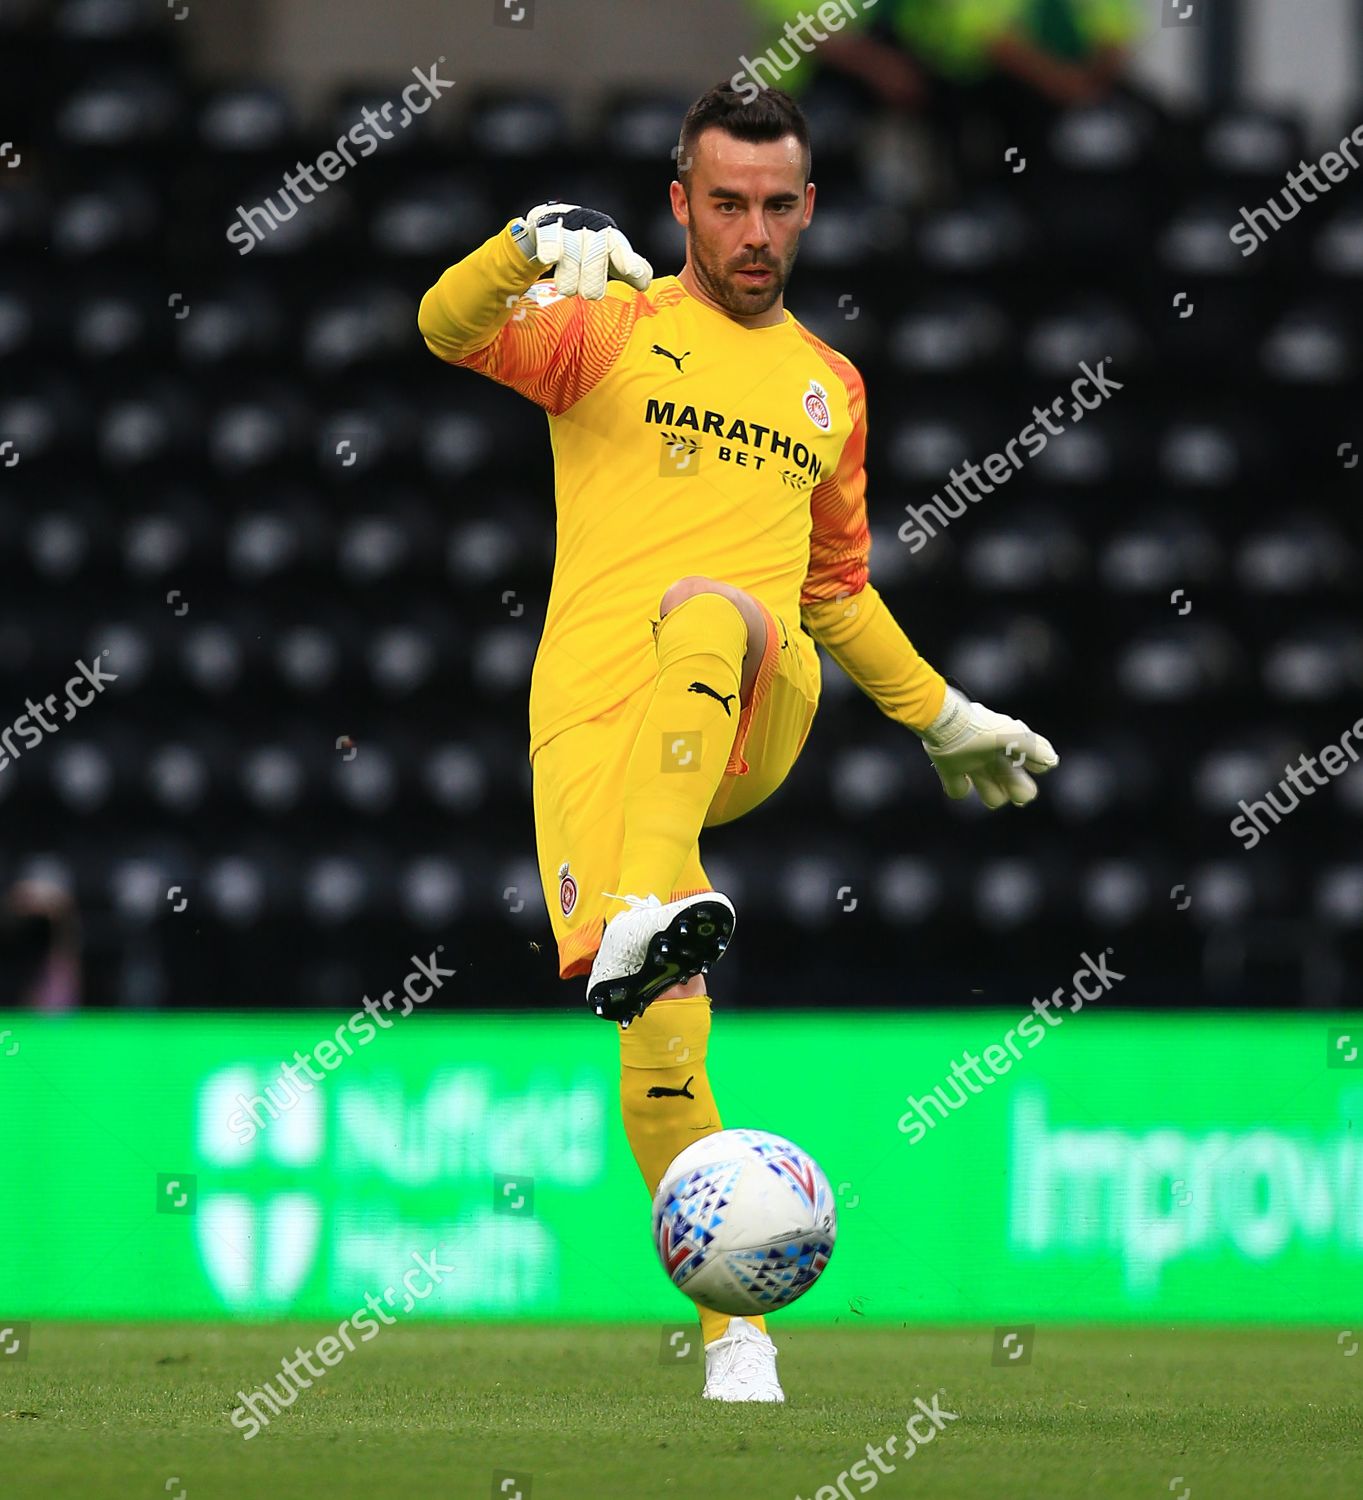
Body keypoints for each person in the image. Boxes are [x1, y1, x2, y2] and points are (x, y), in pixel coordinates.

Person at [417, 81, 1057, 1402]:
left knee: (715, 611)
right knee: (659, 1047)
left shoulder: (830, 388)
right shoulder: (605, 330)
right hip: (594, 740)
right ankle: (738, 1337)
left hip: (757, 701)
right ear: (679, 205)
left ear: (809, 207)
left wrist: (942, 716)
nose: (755, 231)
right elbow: (442, 326)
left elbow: (832, 594)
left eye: (778, 205)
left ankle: (663, 895)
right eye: (727, 204)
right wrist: (527, 243)